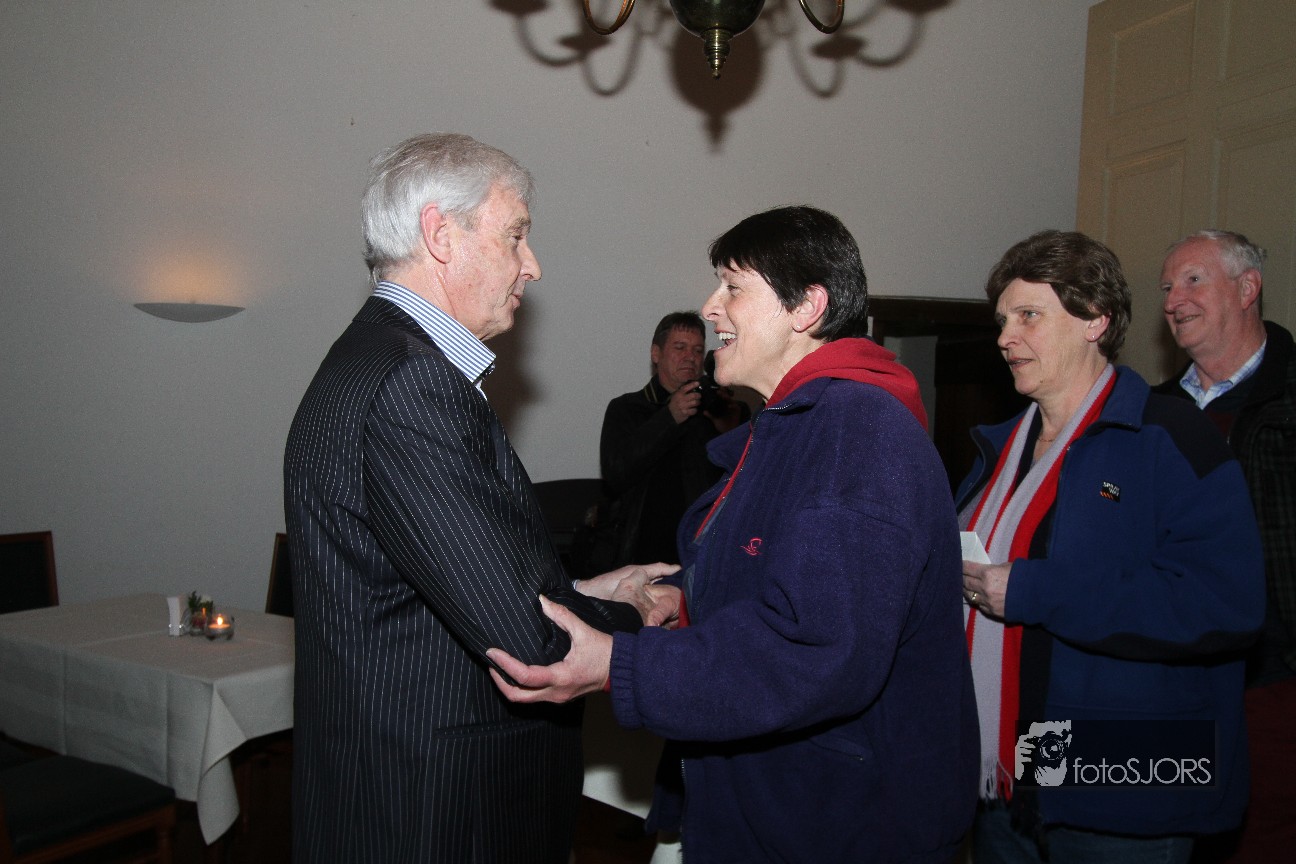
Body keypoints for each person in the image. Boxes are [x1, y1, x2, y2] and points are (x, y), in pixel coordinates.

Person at [488, 205, 980, 862]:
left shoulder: (860, 432)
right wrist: (682, 590)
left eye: (733, 286)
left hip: (837, 825)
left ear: (807, 307)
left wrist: (618, 665)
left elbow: (812, 648)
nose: (710, 307)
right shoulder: (800, 424)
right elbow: (776, 572)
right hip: (775, 807)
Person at [283, 133, 677, 864]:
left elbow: (439, 587)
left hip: (392, 784)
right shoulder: (412, 385)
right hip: (439, 809)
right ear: (441, 235)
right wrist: (639, 610)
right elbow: (529, 645)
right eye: (516, 235)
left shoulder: (370, 358)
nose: (533, 264)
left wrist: (585, 589)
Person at [958, 229, 1265, 863]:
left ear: (1095, 320)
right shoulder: (997, 448)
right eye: (1002, 321)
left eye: (1028, 316)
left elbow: (1226, 604)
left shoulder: (1170, 437)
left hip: (1126, 779)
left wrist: (1038, 590)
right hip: (1009, 771)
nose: (1006, 337)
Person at [1153, 230, 1296, 862]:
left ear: (1247, 288)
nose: (1173, 300)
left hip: (1272, 680)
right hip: (1169, 680)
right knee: (1174, 837)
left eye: (1192, 281)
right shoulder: (1149, 411)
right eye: (1167, 287)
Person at [596, 311, 746, 570]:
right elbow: (616, 475)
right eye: (680, 347)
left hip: (704, 555)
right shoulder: (627, 408)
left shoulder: (717, 410)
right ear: (656, 354)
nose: (690, 357)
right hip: (640, 556)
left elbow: (742, 482)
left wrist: (731, 429)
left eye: (697, 350)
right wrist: (669, 417)